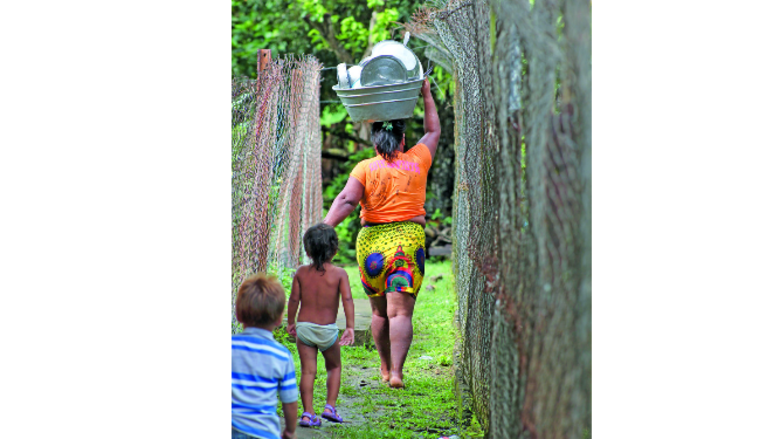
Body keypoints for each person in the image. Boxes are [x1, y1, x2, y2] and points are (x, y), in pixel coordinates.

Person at [323, 78, 441, 389]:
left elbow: (347, 200)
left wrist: (325, 226)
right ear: (403, 140)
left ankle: (385, 367)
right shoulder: (418, 159)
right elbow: (433, 131)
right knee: (400, 313)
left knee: (379, 314)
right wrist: (426, 93)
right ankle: (398, 374)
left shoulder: (365, 167)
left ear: (376, 143)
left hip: (372, 246)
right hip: (407, 244)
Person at [286, 223, 356, 427]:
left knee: (308, 371)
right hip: (327, 330)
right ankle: (329, 407)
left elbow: (294, 299)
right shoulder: (340, 274)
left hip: (304, 328)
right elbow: (348, 300)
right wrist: (350, 327)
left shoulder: (301, 272)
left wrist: (290, 322)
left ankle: (308, 414)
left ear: (308, 251)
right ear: (335, 250)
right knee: (334, 366)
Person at [230, 274, 298, 439]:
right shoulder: (282, 355)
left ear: (238, 315)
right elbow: (289, 401)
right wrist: (290, 431)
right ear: (280, 318)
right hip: (265, 432)